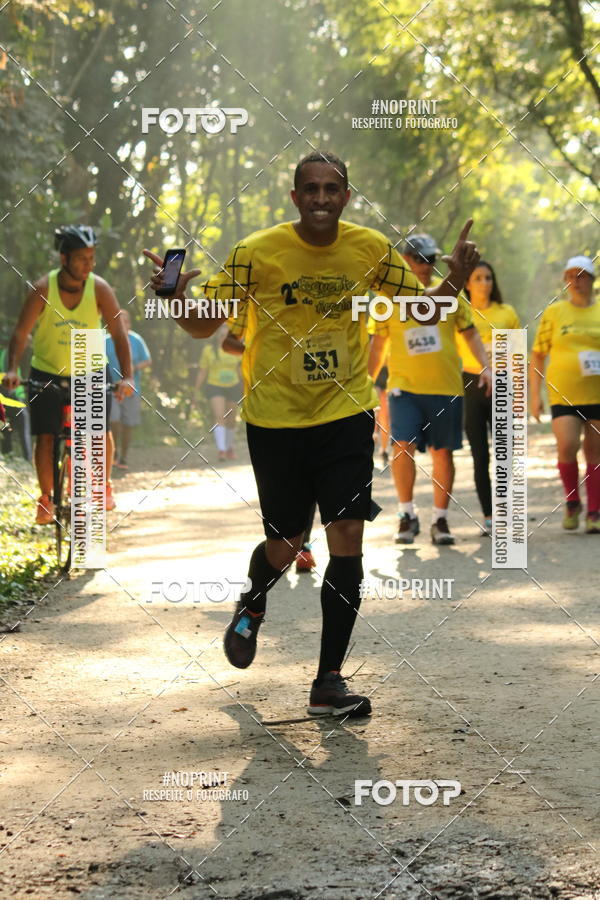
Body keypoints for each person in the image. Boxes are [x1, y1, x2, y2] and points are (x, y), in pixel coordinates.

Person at [144, 150, 480, 717]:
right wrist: (173, 295)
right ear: (295, 196)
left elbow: (422, 312)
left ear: (346, 196)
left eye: (332, 188)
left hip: (345, 413)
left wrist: (455, 279)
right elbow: (205, 324)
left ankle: (328, 680)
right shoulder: (257, 253)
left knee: (346, 534)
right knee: (288, 544)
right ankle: (252, 603)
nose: (322, 197)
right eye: (311, 188)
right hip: (276, 420)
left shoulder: (371, 249)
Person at [2, 225, 134, 523]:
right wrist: (12, 369)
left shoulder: (100, 289)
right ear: (64, 259)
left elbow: (118, 334)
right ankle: (47, 498)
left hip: (90, 371)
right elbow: (21, 333)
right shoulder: (42, 289)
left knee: (98, 433)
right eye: (81, 259)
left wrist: (127, 376)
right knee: (45, 437)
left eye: (91, 257)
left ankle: (104, 485)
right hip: (47, 371)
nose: (89, 264)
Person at [369, 232, 492, 546]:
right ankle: (407, 515)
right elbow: (379, 343)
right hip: (403, 388)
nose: (426, 264)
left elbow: (470, 334)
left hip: (445, 387)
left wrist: (486, 366)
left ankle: (439, 518)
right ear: (406, 260)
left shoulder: (451, 295)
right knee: (402, 445)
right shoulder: (388, 298)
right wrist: (365, 383)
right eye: (419, 258)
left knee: (442, 453)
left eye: (431, 258)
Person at [222, 318, 317, 570]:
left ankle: (303, 544)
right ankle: (282, 545)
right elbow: (228, 342)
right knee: (285, 486)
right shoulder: (256, 289)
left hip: (318, 399)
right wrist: (258, 352)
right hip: (272, 408)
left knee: (312, 479)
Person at [530, 255, 600, 534]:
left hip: (597, 393)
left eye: (581, 275)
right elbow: (537, 353)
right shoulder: (555, 312)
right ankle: (573, 501)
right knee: (567, 445)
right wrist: (535, 395)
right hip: (564, 393)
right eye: (570, 276)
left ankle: (594, 511)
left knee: (595, 452)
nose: (575, 281)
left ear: (593, 279)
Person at [456, 261, 521, 534]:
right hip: (469, 385)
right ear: (468, 284)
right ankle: (489, 516)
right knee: (480, 456)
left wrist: (518, 394)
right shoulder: (460, 310)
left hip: (502, 383)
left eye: (488, 277)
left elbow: (517, 356)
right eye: (478, 278)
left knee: (505, 454)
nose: (485, 283)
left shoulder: (506, 312)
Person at [106, 308, 151, 470]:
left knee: (128, 424)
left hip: (131, 389)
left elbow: (147, 361)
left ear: (129, 323)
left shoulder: (136, 339)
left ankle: (123, 456)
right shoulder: (105, 340)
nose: (122, 324)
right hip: (111, 388)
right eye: (119, 321)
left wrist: (133, 367)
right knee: (113, 419)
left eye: (125, 321)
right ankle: (114, 452)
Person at [195, 322, 242, 461]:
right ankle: (221, 449)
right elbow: (202, 372)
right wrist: (195, 392)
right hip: (215, 386)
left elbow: (241, 371)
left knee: (231, 419)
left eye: (225, 333)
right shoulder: (209, 350)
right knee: (219, 416)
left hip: (233, 386)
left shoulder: (236, 349)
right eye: (220, 333)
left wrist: (246, 388)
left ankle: (229, 447)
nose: (222, 336)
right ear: (215, 335)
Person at [0, 344, 32, 462]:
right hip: (12, 397)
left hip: (15, 396)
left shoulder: (20, 355)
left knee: (7, 423)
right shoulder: (7, 355)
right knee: (21, 426)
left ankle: (10, 453)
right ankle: (26, 458)